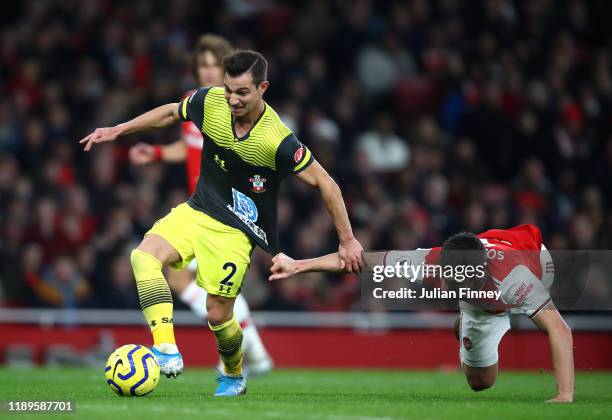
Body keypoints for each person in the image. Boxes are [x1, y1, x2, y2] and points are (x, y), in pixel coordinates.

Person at [80, 50, 363, 396]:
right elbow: (171, 112)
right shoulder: (210, 102)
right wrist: (119, 129)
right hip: (197, 209)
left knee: (217, 315)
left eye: (242, 92)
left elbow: (326, 183)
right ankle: (166, 347)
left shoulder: (277, 139)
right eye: (228, 90)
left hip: (236, 231)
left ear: (263, 88)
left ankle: (233, 373)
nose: (232, 99)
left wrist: (347, 241)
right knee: (143, 257)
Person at [268, 224, 574, 403]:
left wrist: (564, 395)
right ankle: (473, 314)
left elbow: (559, 329)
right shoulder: (430, 261)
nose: (449, 285)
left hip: (535, 259)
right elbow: (358, 259)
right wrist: (299, 265)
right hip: (484, 299)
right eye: (450, 279)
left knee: (536, 310)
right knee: (480, 383)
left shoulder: (516, 279)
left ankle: (484, 311)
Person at [128, 34, 272, 377]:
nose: (207, 72)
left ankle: (251, 350)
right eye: (202, 65)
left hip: (227, 212)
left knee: (202, 288)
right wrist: (159, 153)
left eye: (214, 66)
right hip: (200, 208)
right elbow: (189, 146)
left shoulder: (235, 110)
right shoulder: (196, 102)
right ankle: (255, 352)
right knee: (206, 289)